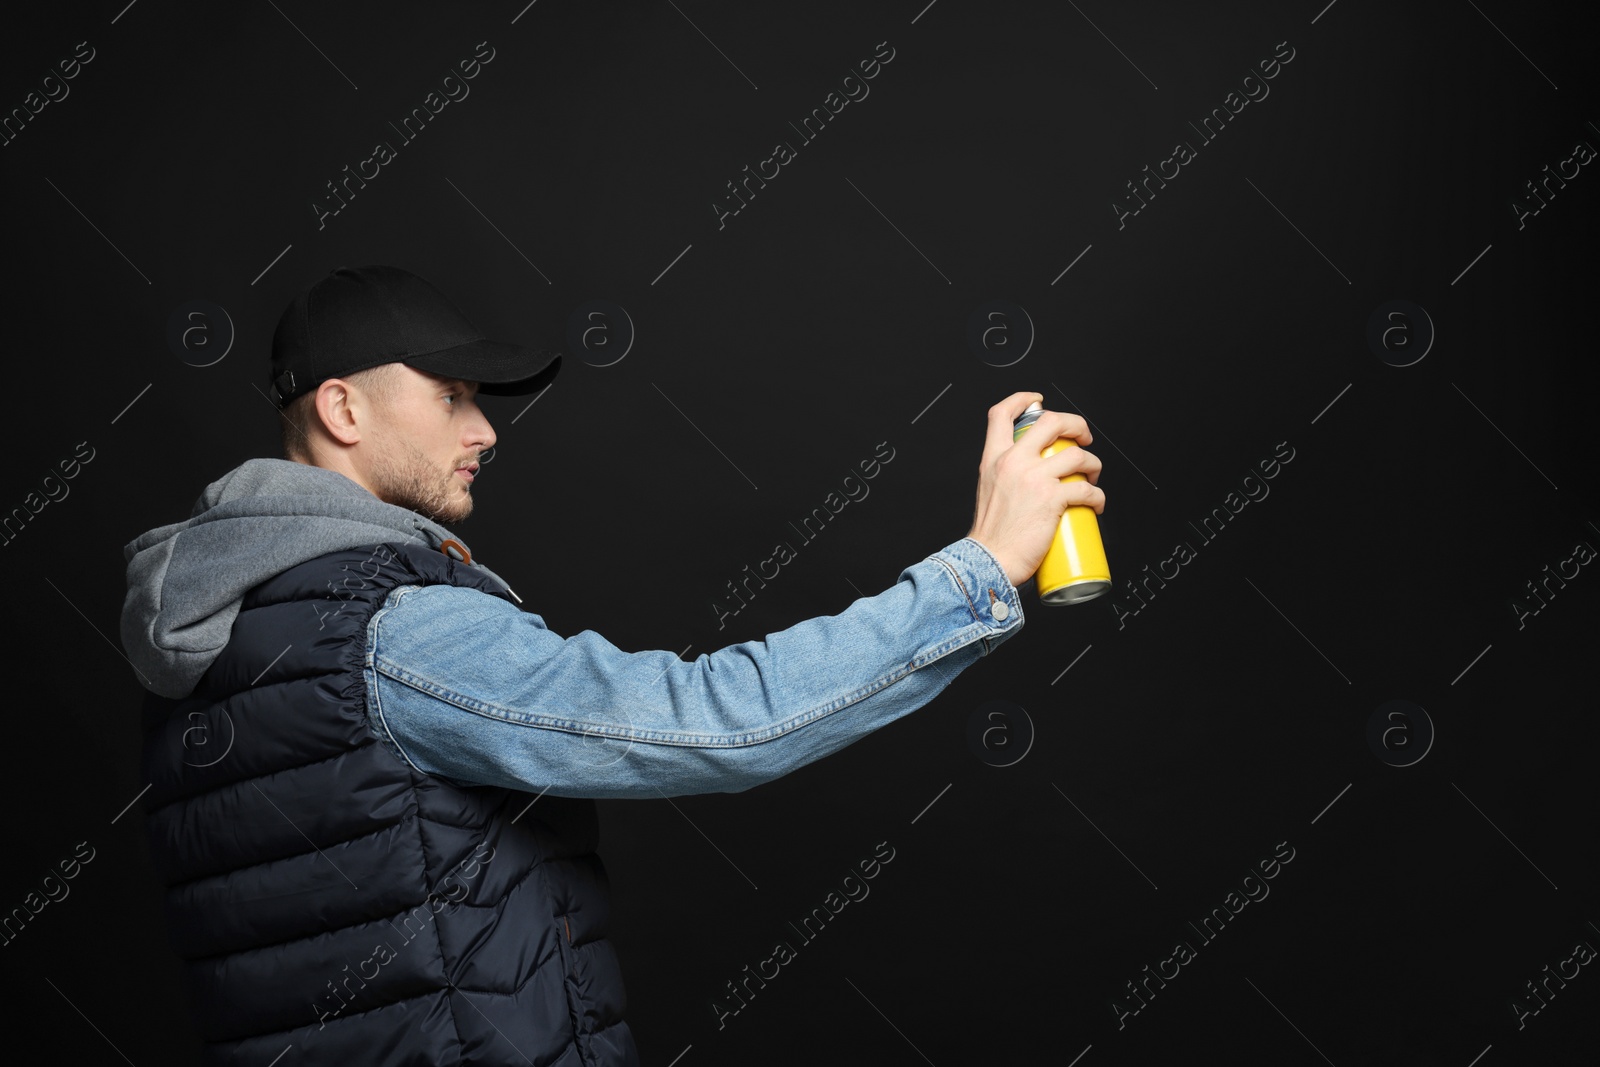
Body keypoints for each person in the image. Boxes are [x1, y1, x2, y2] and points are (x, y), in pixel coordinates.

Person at [119, 265, 1105, 1067]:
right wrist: (978, 565)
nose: (484, 431)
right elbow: (721, 719)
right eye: (452, 396)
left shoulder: (220, 622)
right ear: (342, 406)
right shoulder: (392, 627)